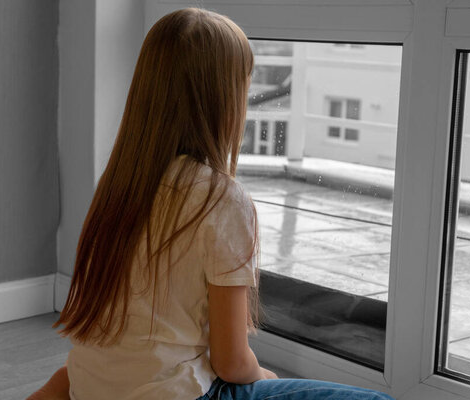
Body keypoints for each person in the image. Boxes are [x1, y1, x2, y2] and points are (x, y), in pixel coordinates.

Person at [27, 7, 395, 400]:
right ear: (224, 99)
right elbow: (232, 363)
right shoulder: (221, 199)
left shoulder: (119, 183)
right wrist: (267, 378)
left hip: (93, 384)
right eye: (244, 85)